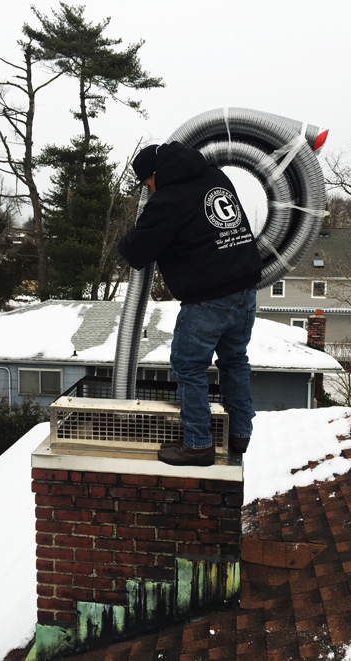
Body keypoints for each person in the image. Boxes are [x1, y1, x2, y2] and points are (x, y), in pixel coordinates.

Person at [117, 141, 262, 466]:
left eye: (147, 183)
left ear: (154, 174)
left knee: (188, 366)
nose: (148, 190)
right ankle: (241, 432)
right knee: (235, 360)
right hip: (247, 290)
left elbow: (135, 251)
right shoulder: (216, 177)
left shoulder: (168, 200)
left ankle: (198, 445)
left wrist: (125, 238)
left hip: (209, 298)